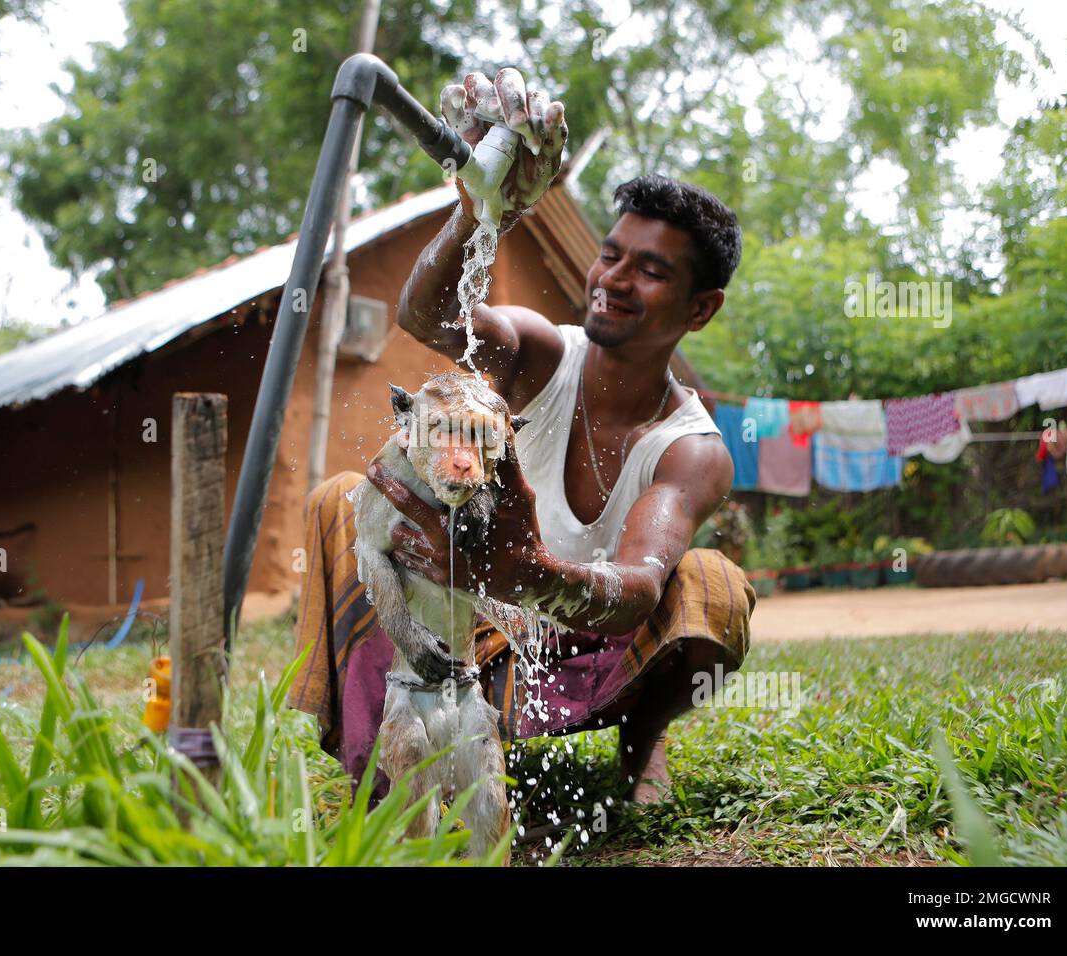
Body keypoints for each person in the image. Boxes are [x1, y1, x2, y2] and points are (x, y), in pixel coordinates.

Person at [289, 68, 753, 804]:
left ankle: (642, 744)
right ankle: (385, 760)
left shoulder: (691, 448)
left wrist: (521, 570)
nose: (615, 278)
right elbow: (428, 317)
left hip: (580, 660)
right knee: (343, 500)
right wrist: (481, 213)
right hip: (473, 639)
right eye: (612, 255)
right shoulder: (541, 353)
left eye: (653, 270)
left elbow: (634, 592)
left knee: (712, 586)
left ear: (701, 309)